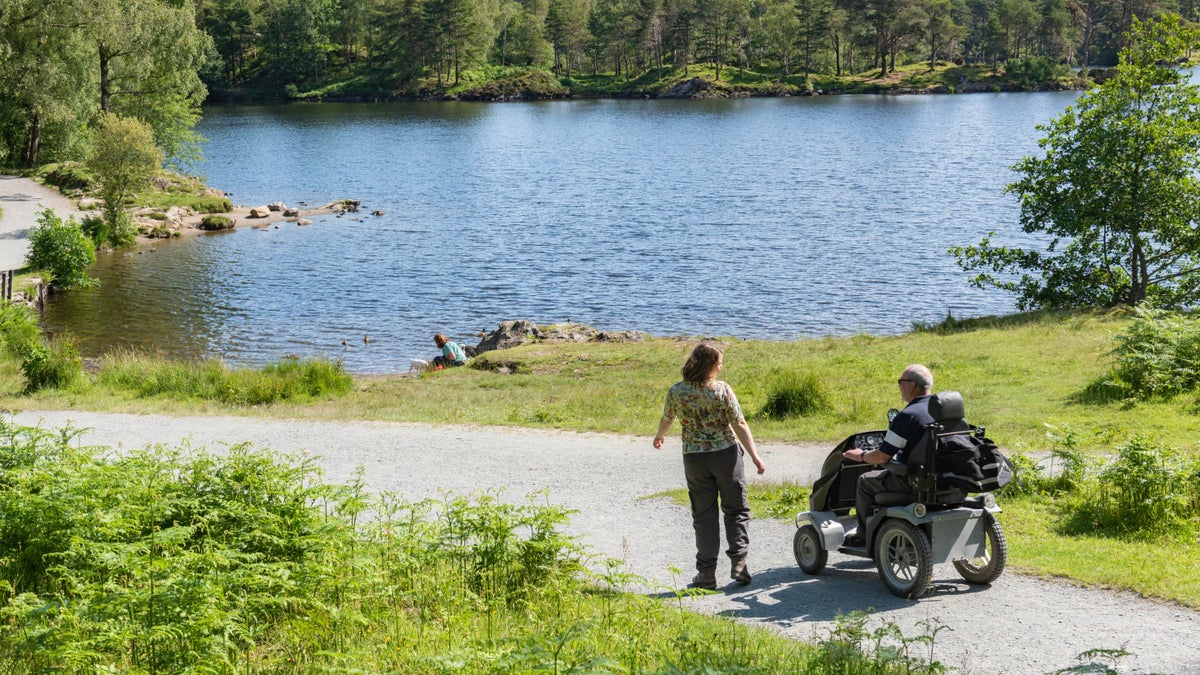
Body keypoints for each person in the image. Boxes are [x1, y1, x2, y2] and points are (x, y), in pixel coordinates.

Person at [653, 342, 767, 589]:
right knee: (736, 510)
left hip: (695, 458)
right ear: (709, 366)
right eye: (719, 363)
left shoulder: (677, 391)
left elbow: (667, 418)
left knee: (704, 517)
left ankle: (706, 575)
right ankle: (739, 564)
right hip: (725, 455)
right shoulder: (721, 390)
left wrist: (660, 436)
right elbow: (739, 424)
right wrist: (756, 456)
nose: (721, 366)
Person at [841, 364, 935, 546]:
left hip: (914, 483)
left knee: (865, 481)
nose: (899, 386)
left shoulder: (907, 416)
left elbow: (882, 457)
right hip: (945, 480)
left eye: (900, 382)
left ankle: (863, 536)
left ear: (912, 385)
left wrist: (862, 455)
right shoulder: (943, 410)